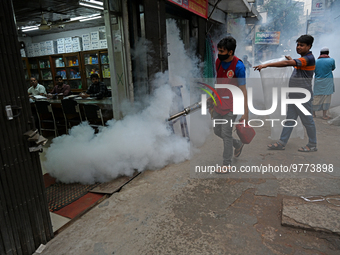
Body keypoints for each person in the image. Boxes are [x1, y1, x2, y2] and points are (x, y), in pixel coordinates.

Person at [254, 34, 317, 152]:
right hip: (294, 95)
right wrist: (291, 60)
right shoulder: (302, 59)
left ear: (309, 46)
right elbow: (295, 66)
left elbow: (287, 64)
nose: (298, 47)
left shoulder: (308, 58)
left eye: (302, 45)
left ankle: (313, 144)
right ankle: (282, 143)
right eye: (297, 45)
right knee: (289, 120)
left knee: (308, 121)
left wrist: (266, 65)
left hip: (302, 96)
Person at [211, 36, 248, 173]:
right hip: (219, 104)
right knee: (217, 131)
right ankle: (238, 144)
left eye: (222, 51)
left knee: (226, 134)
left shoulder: (239, 66)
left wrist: (246, 112)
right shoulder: (218, 62)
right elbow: (218, 81)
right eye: (218, 51)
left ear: (230, 52)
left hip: (232, 105)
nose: (219, 54)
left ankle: (226, 164)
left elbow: (243, 90)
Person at [312, 47, 336, 120]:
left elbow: (313, 71)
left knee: (316, 97)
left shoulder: (315, 62)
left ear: (320, 53)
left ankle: (313, 114)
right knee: (326, 98)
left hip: (318, 82)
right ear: (328, 53)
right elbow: (333, 68)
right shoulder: (331, 60)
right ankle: (324, 115)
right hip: (328, 82)